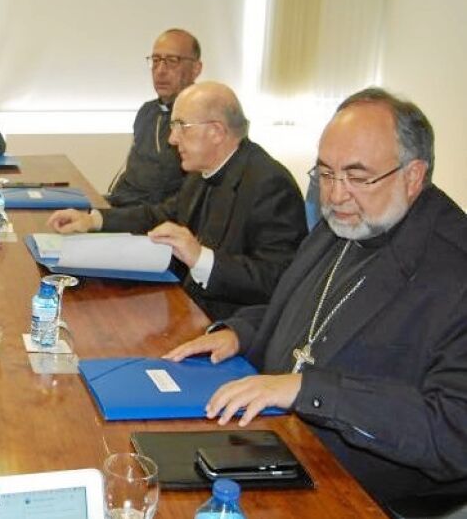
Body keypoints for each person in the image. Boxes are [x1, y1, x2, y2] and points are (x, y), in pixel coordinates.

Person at [163, 88, 467, 509]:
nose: (336, 195)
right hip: (281, 442)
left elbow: (453, 432)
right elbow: (305, 311)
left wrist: (310, 390)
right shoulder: (344, 223)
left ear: (413, 176)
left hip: (365, 493)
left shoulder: (455, 269)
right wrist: (241, 333)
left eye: (357, 177)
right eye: (325, 174)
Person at [48, 82, 307, 321]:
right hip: (185, 304)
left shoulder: (269, 184)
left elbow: (278, 280)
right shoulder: (202, 171)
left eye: (181, 126)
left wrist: (201, 258)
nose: (172, 139)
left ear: (216, 131)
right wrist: (93, 220)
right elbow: (161, 215)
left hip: (227, 324)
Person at [106, 29, 202, 207]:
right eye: (156, 60)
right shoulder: (147, 111)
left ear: (196, 69)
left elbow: (185, 199)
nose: (160, 71)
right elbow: (132, 176)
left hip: (153, 216)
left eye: (172, 61)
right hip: (120, 205)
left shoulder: (201, 119)